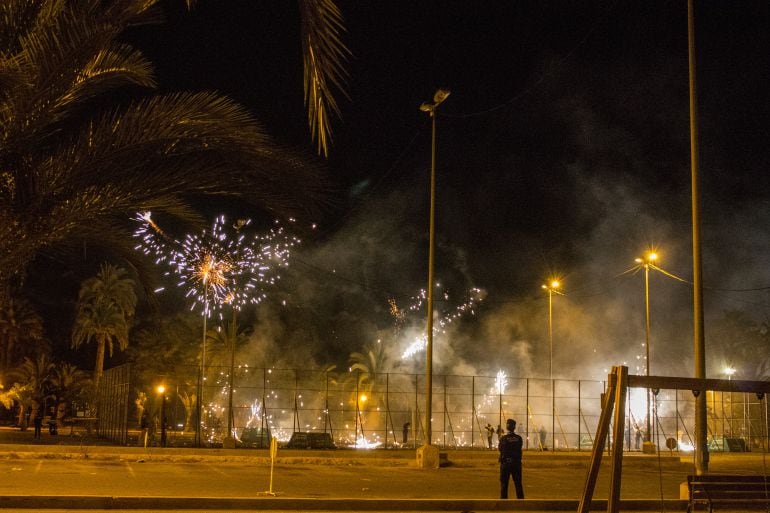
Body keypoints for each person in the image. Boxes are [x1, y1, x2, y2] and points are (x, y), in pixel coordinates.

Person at [498, 418, 524, 499]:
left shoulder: (503, 438)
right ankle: (521, 503)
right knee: (518, 484)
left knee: (504, 484)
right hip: (516, 463)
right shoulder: (519, 438)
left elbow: (500, 449)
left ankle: (504, 503)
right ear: (514, 427)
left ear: (507, 427)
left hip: (506, 463)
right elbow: (519, 448)